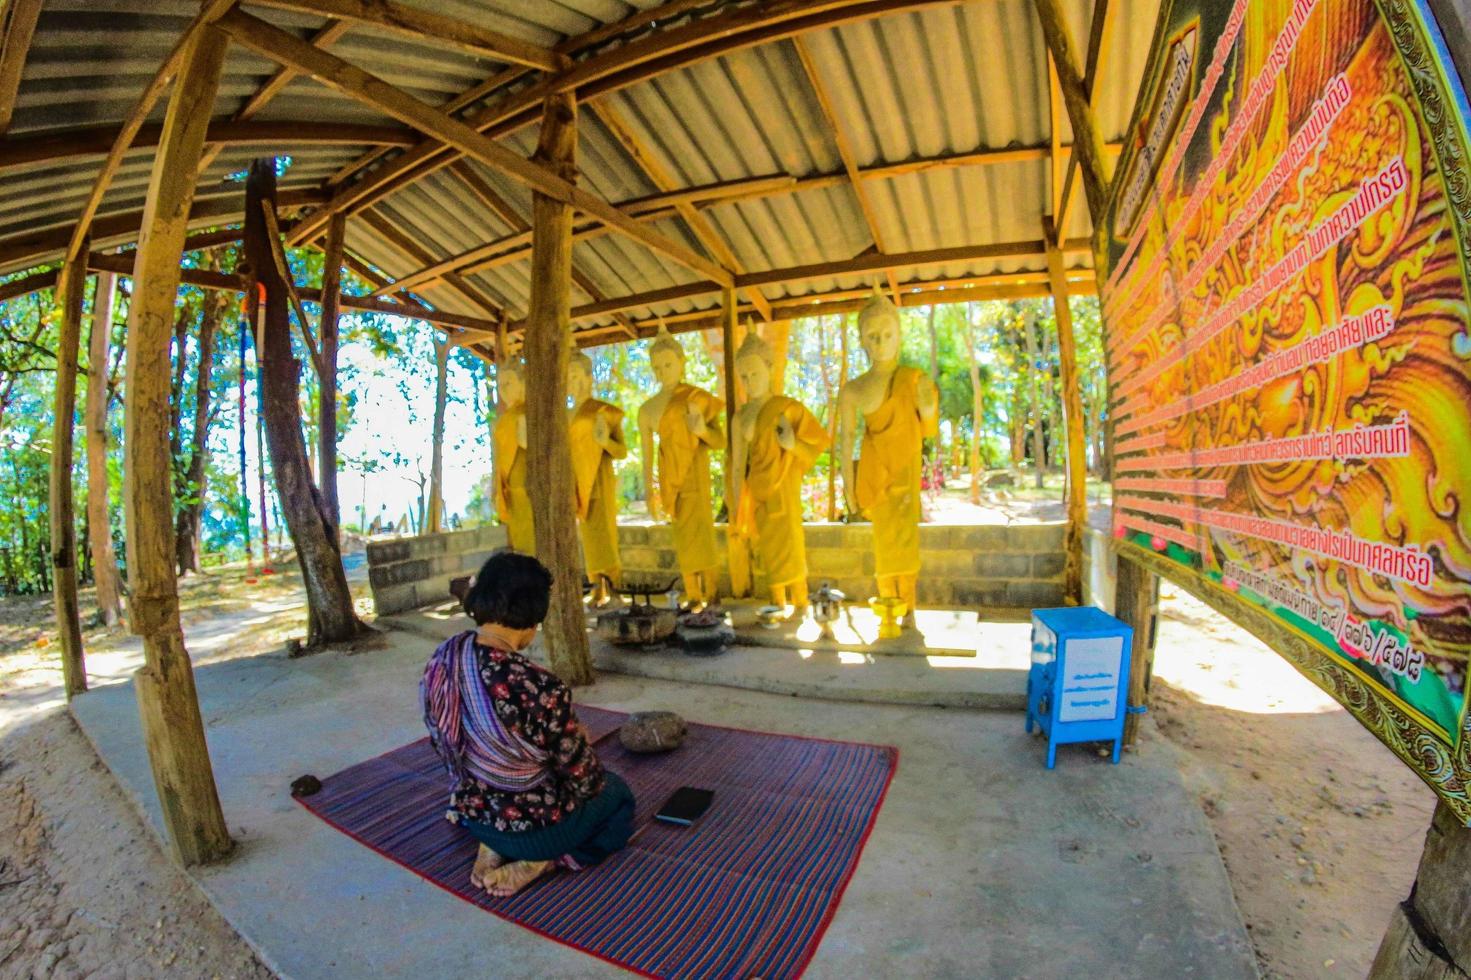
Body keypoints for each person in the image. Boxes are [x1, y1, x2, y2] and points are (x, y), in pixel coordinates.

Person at [420, 551, 635, 897]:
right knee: (617, 795)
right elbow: (585, 782)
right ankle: (544, 861)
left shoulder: (444, 658)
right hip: (537, 830)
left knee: (517, 778)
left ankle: (492, 846)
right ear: (534, 616)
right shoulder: (539, 686)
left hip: (473, 812)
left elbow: (442, 738)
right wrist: (578, 742)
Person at [837, 290, 939, 627]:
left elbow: (927, 429)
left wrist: (927, 406)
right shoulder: (853, 389)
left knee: (906, 547)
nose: (880, 342)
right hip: (874, 475)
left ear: (899, 335)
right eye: (872, 336)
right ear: (862, 341)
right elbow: (846, 440)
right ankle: (888, 610)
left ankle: (907, 611)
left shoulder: (913, 379)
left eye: (887, 334)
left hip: (904, 474)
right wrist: (849, 490)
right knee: (885, 550)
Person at [730, 331, 829, 617]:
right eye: (743, 376)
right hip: (758, 490)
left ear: (770, 368)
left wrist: (792, 444)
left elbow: (813, 450)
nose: (749, 381)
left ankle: (800, 604)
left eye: (754, 372)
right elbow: (737, 465)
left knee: (792, 550)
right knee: (770, 554)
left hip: (785, 488)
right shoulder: (741, 416)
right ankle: (778, 604)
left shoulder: (787, 408)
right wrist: (737, 505)